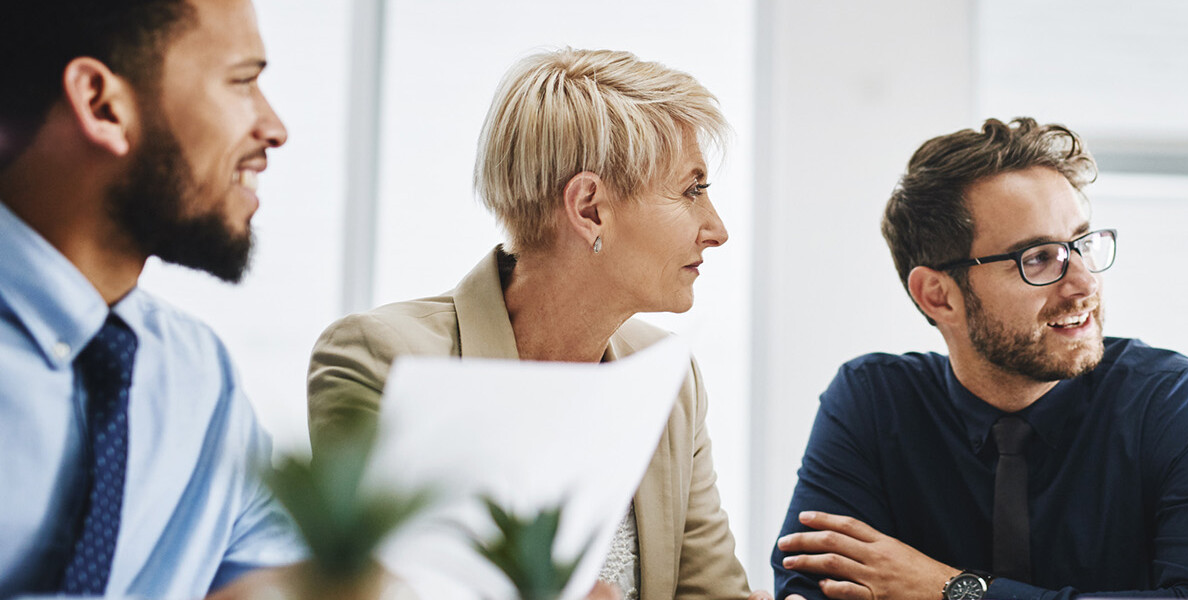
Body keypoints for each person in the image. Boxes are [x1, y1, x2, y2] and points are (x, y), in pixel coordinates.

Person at [306, 48, 761, 600]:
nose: (716, 229)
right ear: (589, 208)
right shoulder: (382, 358)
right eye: (692, 189)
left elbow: (713, 591)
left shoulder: (671, 379)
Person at [770, 117, 1188, 600]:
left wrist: (950, 589)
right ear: (938, 296)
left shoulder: (1170, 398)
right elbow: (812, 583)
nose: (1084, 284)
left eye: (1081, 245)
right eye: (1037, 258)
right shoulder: (872, 400)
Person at [0, 0, 305, 597]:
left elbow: (274, 580)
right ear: (102, 104)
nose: (274, 128)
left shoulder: (200, 380)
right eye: (242, 81)